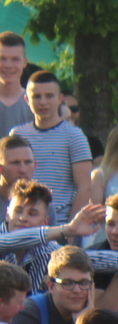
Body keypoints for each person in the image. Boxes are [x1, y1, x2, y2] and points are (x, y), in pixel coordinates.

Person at [12, 71, 93, 224]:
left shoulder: (74, 136)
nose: (43, 102)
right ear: (27, 99)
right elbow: (9, 180)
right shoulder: (17, 135)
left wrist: (71, 228)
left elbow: (85, 186)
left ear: (60, 99)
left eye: (49, 96)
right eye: (37, 96)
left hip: (60, 222)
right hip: (22, 222)